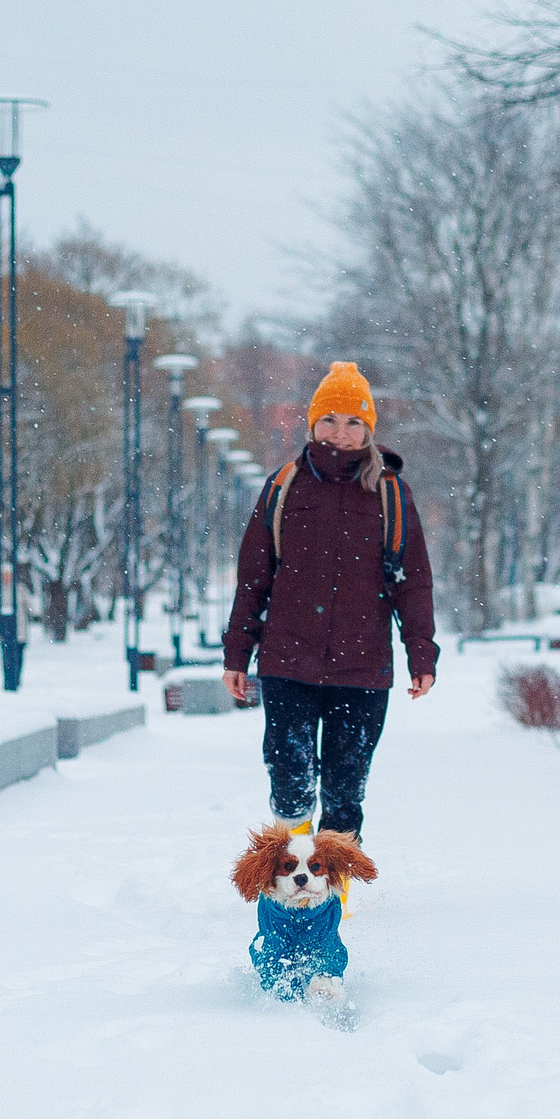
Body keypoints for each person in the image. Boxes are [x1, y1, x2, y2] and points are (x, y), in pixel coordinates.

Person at [221, 361, 436, 843]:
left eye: (354, 421)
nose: (341, 432)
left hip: (362, 667)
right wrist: (237, 654)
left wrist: (421, 653)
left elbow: (413, 583)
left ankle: (335, 881)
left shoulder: (391, 495)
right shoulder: (283, 487)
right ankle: (295, 865)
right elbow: (253, 580)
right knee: (290, 781)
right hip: (287, 662)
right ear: (312, 423)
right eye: (330, 420)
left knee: (344, 792)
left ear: (369, 429)